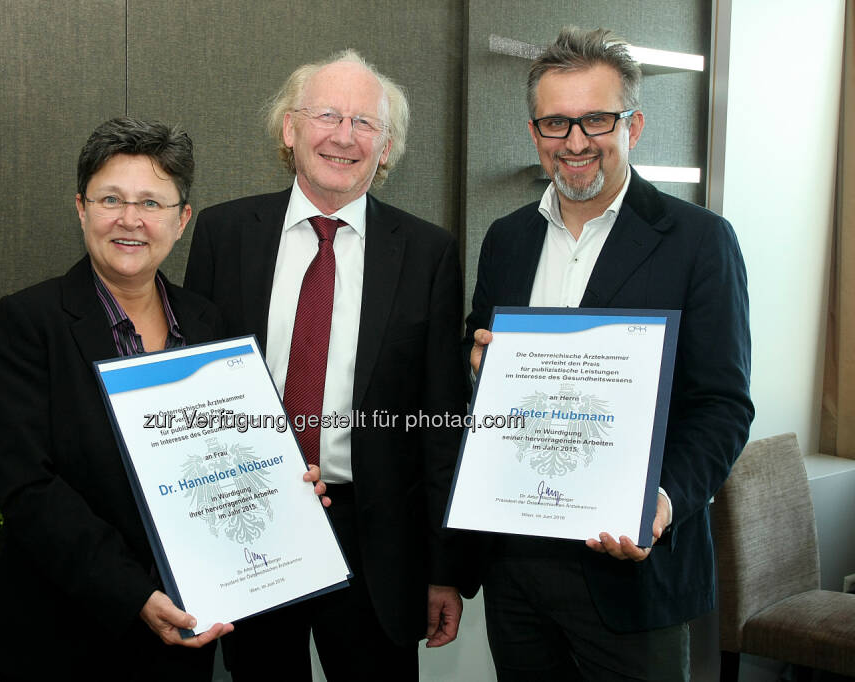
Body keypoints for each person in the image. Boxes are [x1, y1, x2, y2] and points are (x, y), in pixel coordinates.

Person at [0, 117, 327, 681]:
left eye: (152, 203)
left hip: (183, 632)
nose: (130, 219)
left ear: (181, 220)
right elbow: (30, 489)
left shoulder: (211, 324)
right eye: (111, 198)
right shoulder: (28, 321)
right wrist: (133, 592)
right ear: (81, 208)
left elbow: (237, 455)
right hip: (63, 632)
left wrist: (287, 489)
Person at [465, 28, 754, 681]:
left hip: (634, 572)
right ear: (534, 130)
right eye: (555, 122)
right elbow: (478, 345)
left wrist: (664, 498)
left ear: (634, 125)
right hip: (519, 568)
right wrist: (479, 363)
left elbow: (723, 407)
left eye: (596, 119)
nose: (574, 142)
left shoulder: (699, 241)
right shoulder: (507, 239)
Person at [184, 50, 468, 681]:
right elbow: (194, 397)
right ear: (290, 129)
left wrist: (446, 568)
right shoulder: (222, 234)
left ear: (386, 146)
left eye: (365, 123)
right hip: (252, 526)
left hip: (378, 543)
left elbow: (443, 425)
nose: (344, 136)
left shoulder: (428, 254)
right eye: (328, 115)